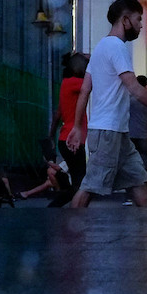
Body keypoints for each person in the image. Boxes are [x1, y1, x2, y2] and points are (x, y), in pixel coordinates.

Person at [66, 0, 147, 208]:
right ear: (125, 20)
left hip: (117, 134)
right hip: (107, 133)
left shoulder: (100, 47)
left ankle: (144, 237)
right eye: (138, 19)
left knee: (138, 183)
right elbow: (135, 88)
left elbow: (85, 91)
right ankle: (72, 236)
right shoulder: (117, 47)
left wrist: (76, 126)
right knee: (89, 188)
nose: (140, 25)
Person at [49, 52, 89, 194]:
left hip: (66, 139)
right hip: (73, 140)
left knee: (78, 181)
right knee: (80, 182)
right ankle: (76, 211)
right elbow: (94, 82)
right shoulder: (75, 83)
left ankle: (63, 207)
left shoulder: (66, 84)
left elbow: (57, 115)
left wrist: (51, 135)